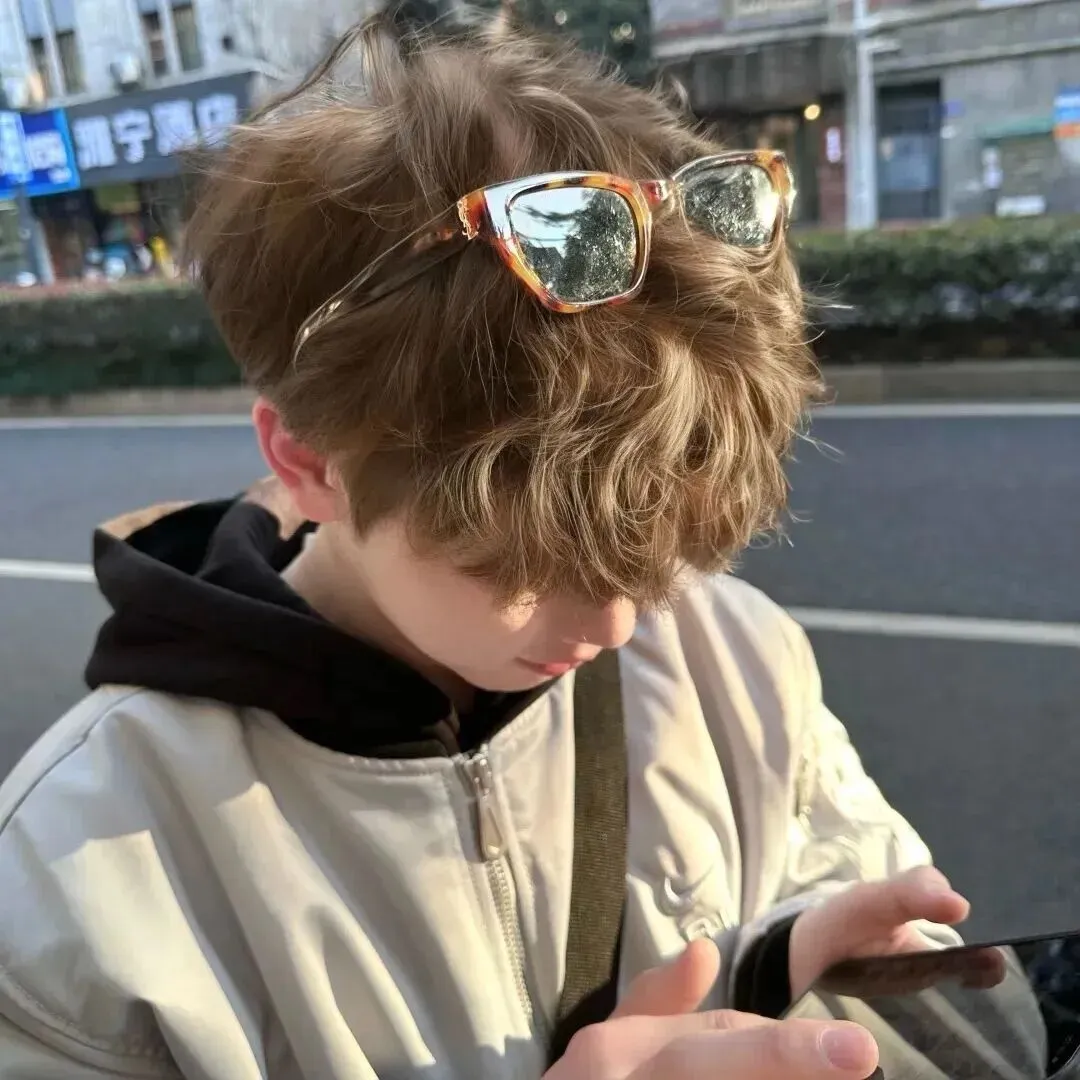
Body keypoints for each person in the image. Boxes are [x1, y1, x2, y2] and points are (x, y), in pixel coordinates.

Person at [0, 7, 971, 1079]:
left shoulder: (739, 662)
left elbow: (823, 868)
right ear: (310, 460)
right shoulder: (76, 872)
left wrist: (787, 965)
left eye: (664, 542)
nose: (616, 622)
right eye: (522, 564)